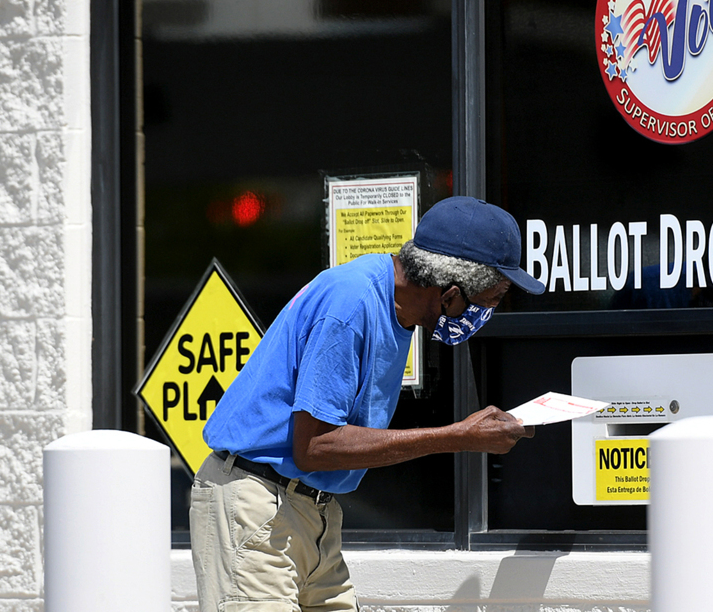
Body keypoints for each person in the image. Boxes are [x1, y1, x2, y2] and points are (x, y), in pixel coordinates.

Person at [192, 196, 545, 611]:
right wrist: (457, 436)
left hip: (311, 512)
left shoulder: (395, 306)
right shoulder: (351, 303)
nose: (492, 310)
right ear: (450, 294)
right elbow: (315, 448)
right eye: (494, 296)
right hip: (257, 507)